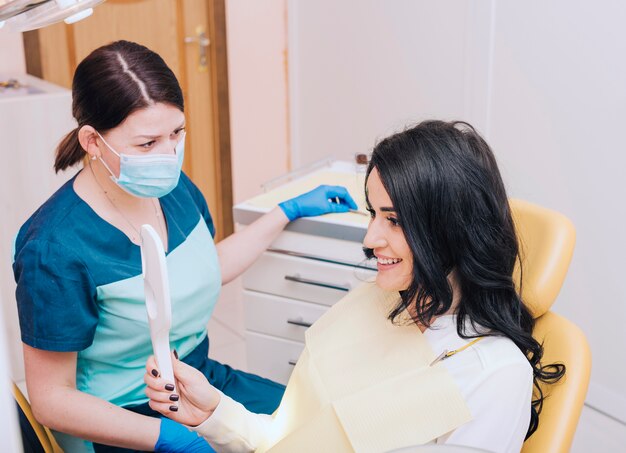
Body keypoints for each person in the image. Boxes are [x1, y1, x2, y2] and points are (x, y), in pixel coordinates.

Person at [12, 40, 357, 453]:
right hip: (119, 419)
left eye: (176, 132)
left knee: (324, 425)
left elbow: (205, 268)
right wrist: (165, 436)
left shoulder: (171, 189)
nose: (169, 153)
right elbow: (52, 401)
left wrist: (286, 210)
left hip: (199, 381)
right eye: (147, 143)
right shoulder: (53, 249)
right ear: (91, 141)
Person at [144, 120, 566, 453]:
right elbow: (286, 438)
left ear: (451, 229)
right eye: (373, 214)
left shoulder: (492, 374)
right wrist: (211, 411)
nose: (369, 239)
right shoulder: (375, 305)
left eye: (394, 220)